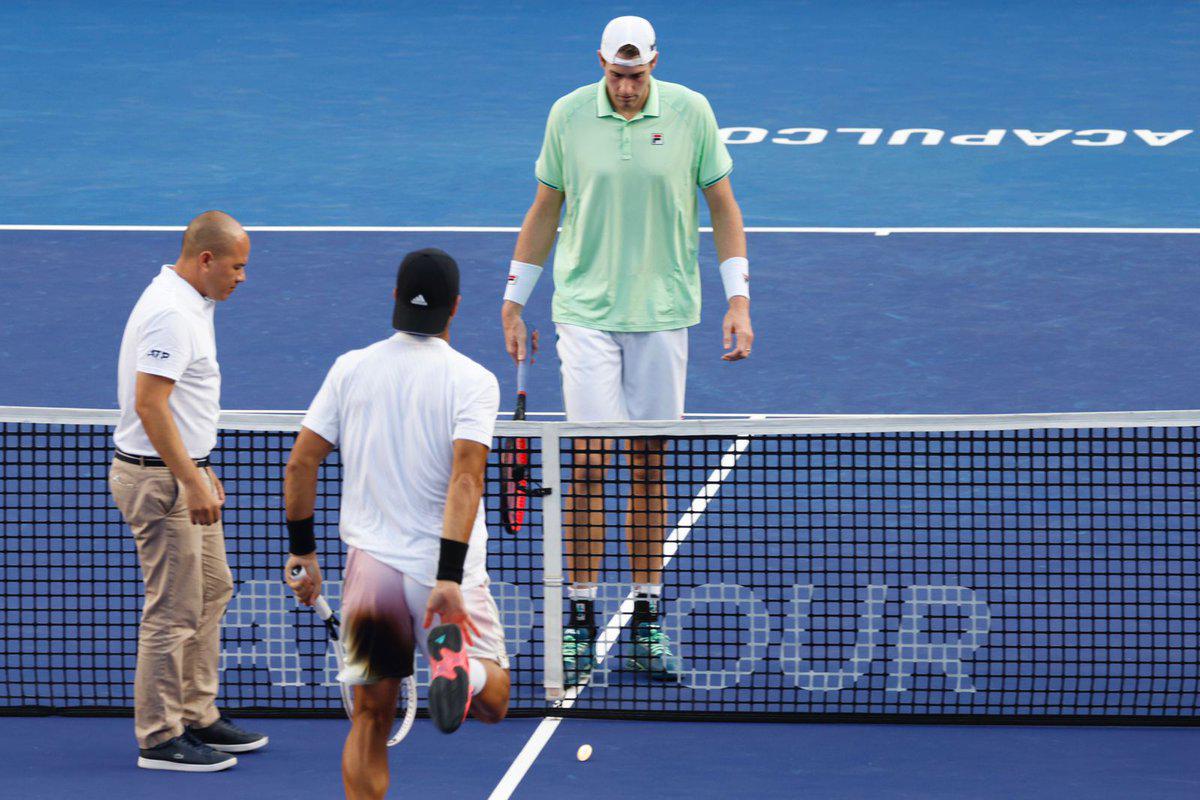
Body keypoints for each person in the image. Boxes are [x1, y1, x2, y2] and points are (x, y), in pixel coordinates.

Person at [500, 15, 753, 685]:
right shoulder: (567, 115)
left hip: (664, 316)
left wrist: (738, 298)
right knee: (588, 465)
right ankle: (580, 617)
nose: (628, 88)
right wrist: (514, 298)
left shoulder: (693, 113)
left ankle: (645, 617)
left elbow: (723, 206)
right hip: (584, 314)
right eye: (617, 74)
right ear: (602, 64)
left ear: (654, 65)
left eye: (638, 76)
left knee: (649, 466)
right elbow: (545, 208)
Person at [284, 248, 511, 800]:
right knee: (493, 702)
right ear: (454, 308)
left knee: (369, 717)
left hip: (373, 576)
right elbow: (465, 480)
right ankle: (464, 672)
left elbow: (301, 462)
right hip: (444, 576)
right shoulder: (475, 381)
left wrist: (304, 553)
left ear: (393, 299)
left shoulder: (351, 368)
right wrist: (449, 579)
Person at [109, 210, 266, 772]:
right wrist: (188, 475)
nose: (242, 277)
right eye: (237, 266)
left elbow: (176, 405)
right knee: (172, 610)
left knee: (212, 588)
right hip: (161, 480)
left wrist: (198, 465)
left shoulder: (193, 301)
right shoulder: (172, 314)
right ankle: (158, 737)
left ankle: (198, 714)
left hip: (182, 470)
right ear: (205, 260)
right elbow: (150, 404)